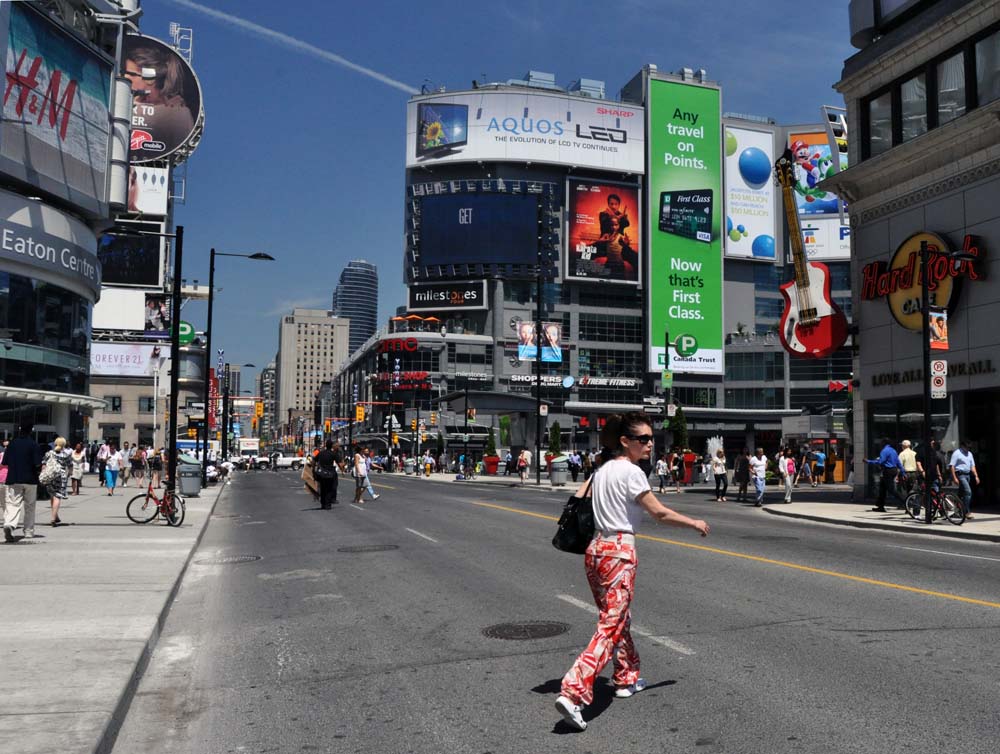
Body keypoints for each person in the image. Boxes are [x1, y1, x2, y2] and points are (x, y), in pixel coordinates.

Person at [554, 413, 709, 732]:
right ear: (625, 441)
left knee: (617, 618)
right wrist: (693, 523)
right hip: (619, 552)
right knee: (610, 623)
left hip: (595, 550)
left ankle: (626, 677)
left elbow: (578, 500)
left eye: (651, 439)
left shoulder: (601, 471)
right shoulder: (632, 472)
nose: (650, 444)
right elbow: (659, 512)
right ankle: (573, 691)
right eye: (643, 439)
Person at [2, 422, 44, 541]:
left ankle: (9, 524)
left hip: (14, 478)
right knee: (30, 506)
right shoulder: (34, 444)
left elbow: (4, 462)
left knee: (13, 503)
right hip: (30, 479)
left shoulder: (12, 444)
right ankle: (29, 531)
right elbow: (37, 463)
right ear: (31, 430)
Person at [865, 438, 905, 512]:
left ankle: (905, 502)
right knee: (882, 488)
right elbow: (898, 462)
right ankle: (880, 506)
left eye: (881, 443)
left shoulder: (884, 451)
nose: (880, 444)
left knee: (891, 489)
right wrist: (902, 471)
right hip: (893, 470)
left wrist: (868, 461)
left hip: (888, 470)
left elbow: (880, 462)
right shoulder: (893, 450)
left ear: (884, 443)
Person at [42, 437, 70, 527]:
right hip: (61, 476)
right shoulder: (65, 454)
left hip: (50, 476)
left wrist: (44, 474)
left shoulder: (49, 453)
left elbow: (43, 463)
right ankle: (53, 518)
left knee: (52, 495)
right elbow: (70, 466)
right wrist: (68, 474)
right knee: (57, 496)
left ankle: (55, 515)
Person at [949, 440, 980, 518]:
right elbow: (951, 466)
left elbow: (972, 466)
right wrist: (954, 478)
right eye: (967, 447)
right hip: (960, 475)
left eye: (970, 447)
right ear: (962, 446)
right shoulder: (957, 453)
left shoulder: (970, 454)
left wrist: (976, 476)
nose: (968, 449)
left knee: (961, 494)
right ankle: (966, 511)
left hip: (967, 475)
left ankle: (957, 511)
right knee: (968, 492)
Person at [314, 440, 340, 509]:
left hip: (322, 473)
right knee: (329, 489)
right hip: (330, 473)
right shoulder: (333, 453)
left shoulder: (321, 453)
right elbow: (339, 463)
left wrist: (313, 469)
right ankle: (328, 504)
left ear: (326, 445)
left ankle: (323, 504)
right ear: (331, 446)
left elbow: (314, 461)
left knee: (323, 488)